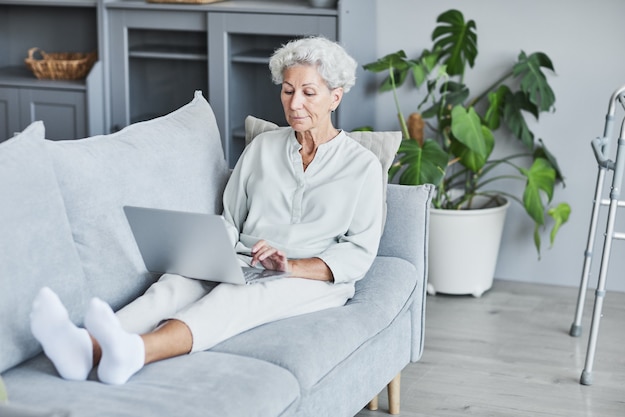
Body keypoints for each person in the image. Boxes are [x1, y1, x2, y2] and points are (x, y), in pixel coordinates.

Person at [30, 36, 383, 385]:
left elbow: (359, 253)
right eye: (288, 90)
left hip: (311, 278)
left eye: (309, 92)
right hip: (246, 261)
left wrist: (290, 266)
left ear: (335, 97)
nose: (294, 104)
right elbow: (231, 218)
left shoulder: (362, 166)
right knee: (175, 284)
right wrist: (208, 254)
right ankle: (84, 348)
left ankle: (135, 351)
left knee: (235, 298)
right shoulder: (263, 147)